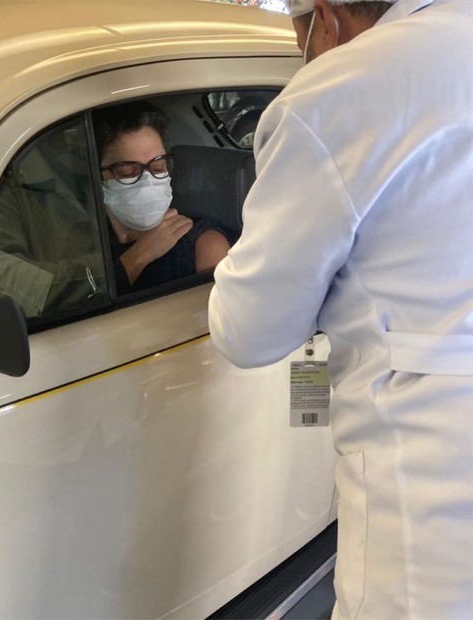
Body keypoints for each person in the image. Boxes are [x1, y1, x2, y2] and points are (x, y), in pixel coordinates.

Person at [208, 1, 472, 618]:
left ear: (323, 20)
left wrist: (219, 264)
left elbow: (249, 332)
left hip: (435, 467)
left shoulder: (339, 87)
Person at [93, 102, 231, 292]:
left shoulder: (203, 245)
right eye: (127, 172)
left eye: (158, 167)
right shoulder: (87, 245)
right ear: (98, 178)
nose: (148, 180)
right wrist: (140, 255)